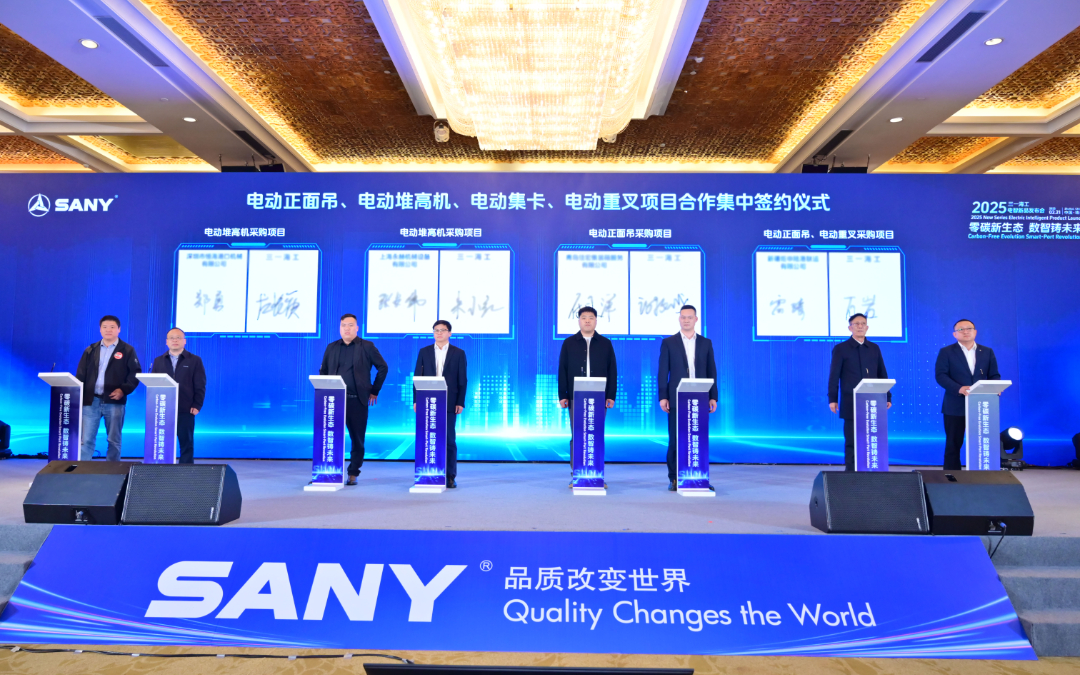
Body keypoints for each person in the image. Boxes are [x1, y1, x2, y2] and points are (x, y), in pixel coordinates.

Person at [319, 314, 388, 485]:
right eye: (344, 325)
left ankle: (353, 472)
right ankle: (328, 471)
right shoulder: (331, 347)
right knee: (329, 437)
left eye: (350, 325)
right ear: (340, 328)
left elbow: (383, 367)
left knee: (357, 439)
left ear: (357, 328)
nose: (347, 328)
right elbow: (323, 371)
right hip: (333, 401)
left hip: (357, 400)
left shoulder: (367, 346)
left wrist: (374, 390)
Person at [658, 305, 717, 491]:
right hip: (676, 398)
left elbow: (712, 370)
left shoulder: (706, 343)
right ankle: (674, 478)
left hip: (700, 397)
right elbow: (662, 372)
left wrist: (713, 396)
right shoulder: (669, 342)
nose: (686, 320)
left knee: (699, 439)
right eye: (683, 317)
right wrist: (663, 396)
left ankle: (699, 476)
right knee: (676, 439)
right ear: (679, 319)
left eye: (690, 317)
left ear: (696, 319)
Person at [558, 306, 617, 487]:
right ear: (579, 320)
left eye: (591, 317)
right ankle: (577, 473)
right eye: (584, 317)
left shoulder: (605, 343)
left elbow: (612, 371)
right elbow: (562, 370)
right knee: (577, 435)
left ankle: (597, 474)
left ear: (596, 321)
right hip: (575, 397)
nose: (587, 321)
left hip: (599, 397)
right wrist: (562, 395)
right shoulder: (569, 343)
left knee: (596, 435)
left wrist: (611, 395)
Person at [827, 313, 891, 471]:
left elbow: (882, 373)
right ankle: (851, 473)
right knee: (852, 440)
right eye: (856, 324)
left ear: (867, 327)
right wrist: (833, 399)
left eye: (863, 323)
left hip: (873, 401)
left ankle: (871, 471)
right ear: (850, 328)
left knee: (871, 439)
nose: (860, 326)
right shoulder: (841, 349)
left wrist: (887, 396)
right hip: (851, 402)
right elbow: (834, 375)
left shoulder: (874, 348)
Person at [934, 319, 1000, 470]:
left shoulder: (987, 351)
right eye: (961, 329)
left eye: (969, 328)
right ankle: (951, 475)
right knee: (953, 443)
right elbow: (941, 376)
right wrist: (959, 388)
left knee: (981, 442)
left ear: (975, 332)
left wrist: (995, 387)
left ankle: (981, 474)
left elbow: (994, 375)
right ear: (954, 334)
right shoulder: (946, 352)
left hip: (981, 404)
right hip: (955, 405)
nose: (965, 331)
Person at [76, 315, 141, 461]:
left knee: (114, 440)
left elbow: (135, 374)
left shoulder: (127, 350)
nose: (108, 330)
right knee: (86, 440)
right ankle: (82, 470)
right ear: (100, 330)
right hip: (91, 401)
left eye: (112, 327)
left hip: (114, 401)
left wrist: (123, 390)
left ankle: (113, 470)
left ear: (119, 329)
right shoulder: (91, 349)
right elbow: (80, 374)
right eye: (105, 327)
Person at [413, 320, 468, 488]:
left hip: (449, 401)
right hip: (427, 401)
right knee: (427, 438)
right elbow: (417, 377)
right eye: (436, 330)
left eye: (442, 330)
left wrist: (460, 402)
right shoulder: (424, 351)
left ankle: (450, 476)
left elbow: (462, 380)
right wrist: (415, 399)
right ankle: (428, 472)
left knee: (449, 440)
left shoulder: (458, 353)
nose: (439, 333)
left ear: (449, 333)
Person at [150, 327, 206, 464]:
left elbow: (200, 384)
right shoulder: (158, 361)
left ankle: (185, 471)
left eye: (178, 338)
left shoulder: (194, 360)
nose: (175, 340)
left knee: (186, 443)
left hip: (186, 408)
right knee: (163, 443)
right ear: (166, 342)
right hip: (163, 409)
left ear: (184, 341)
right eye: (171, 338)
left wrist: (197, 404)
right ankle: (163, 470)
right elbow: (153, 384)